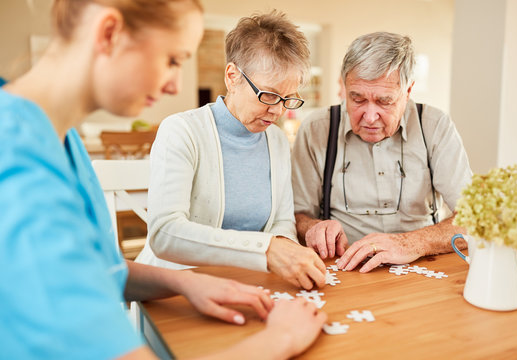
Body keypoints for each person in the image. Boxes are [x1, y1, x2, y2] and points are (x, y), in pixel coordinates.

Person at [0, 1, 326, 358]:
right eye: (172, 60)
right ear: (108, 33)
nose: (175, 86)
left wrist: (185, 282)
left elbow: (97, 270)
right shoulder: (17, 157)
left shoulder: (61, 139)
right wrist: (281, 339)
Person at [136, 11, 326, 290]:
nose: (278, 110)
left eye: (288, 99)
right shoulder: (181, 131)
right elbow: (165, 234)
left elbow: (282, 222)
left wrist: (286, 248)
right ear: (232, 76)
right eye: (269, 95)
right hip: (176, 286)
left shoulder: (276, 141)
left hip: (250, 284)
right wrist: (266, 250)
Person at [292, 32, 471, 273]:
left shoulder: (435, 125)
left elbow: (475, 219)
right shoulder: (316, 129)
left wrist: (410, 243)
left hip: (425, 266)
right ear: (344, 87)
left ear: (408, 92)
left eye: (385, 101)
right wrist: (312, 227)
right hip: (344, 269)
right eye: (357, 99)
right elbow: (296, 215)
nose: (370, 116)